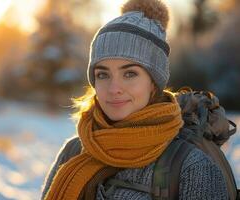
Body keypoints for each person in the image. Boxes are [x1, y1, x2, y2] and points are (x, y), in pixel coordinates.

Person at [41, 0, 229, 199]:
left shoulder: (191, 166)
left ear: (154, 83)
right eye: (103, 75)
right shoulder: (74, 151)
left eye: (129, 74)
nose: (114, 89)